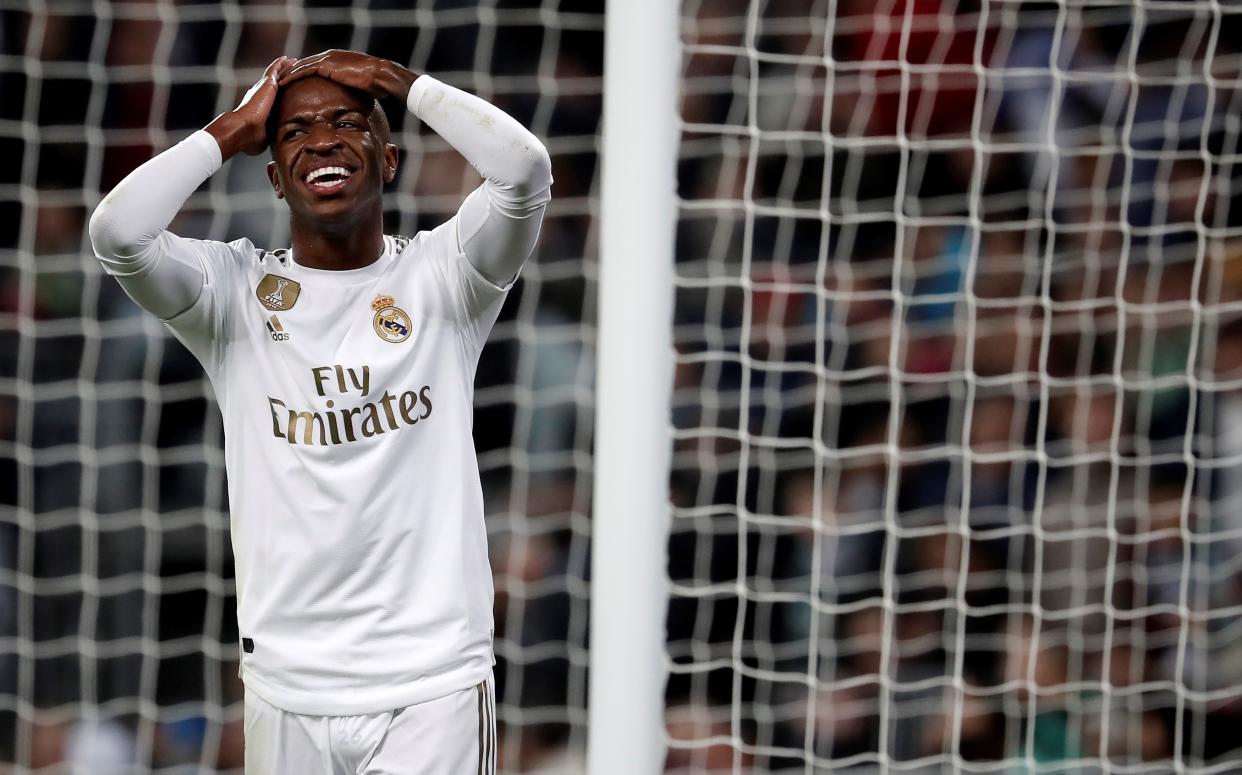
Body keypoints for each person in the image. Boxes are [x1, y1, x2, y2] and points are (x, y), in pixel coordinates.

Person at [88, 50, 552, 774]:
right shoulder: (231, 295)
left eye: (346, 122)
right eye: (295, 132)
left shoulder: (446, 276)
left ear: (389, 157)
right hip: (287, 688)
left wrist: (403, 84)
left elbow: (525, 170)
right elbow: (117, 232)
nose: (323, 139)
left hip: (431, 684)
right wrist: (229, 131)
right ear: (274, 176)